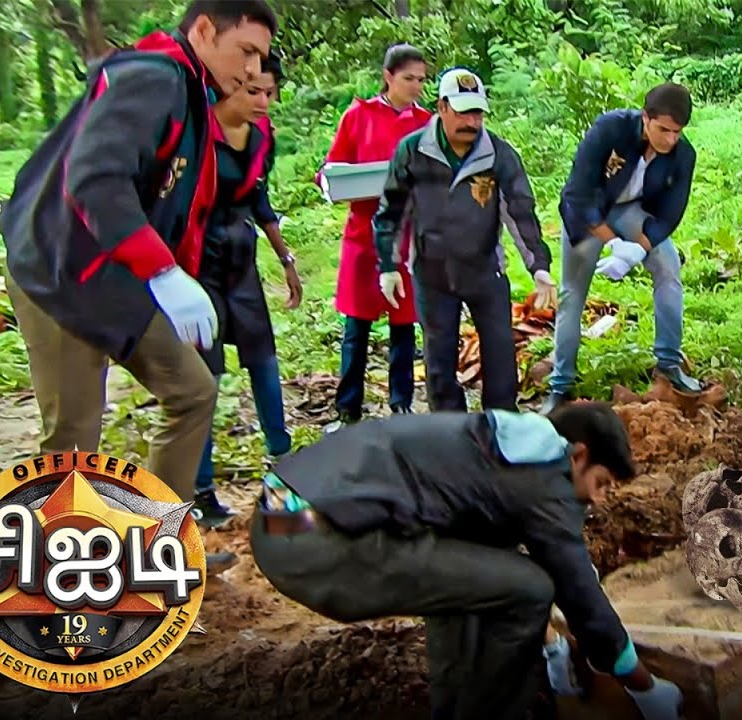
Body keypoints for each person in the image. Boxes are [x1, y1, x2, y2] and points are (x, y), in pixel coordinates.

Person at [0, 0, 277, 573]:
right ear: (202, 30)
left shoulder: (195, 96)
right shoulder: (152, 76)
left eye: (261, 58)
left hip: (122, 275)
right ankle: (56, 582)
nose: (253, 71)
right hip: (62, 272)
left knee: (193, 389)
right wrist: (164, 273)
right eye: (245, 50)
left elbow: (175, 205)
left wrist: (172, 273)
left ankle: (158, 548)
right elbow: (95, 180)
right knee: (74, 436)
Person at [248, 402, 684, 720]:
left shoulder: (495, 443)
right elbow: (580, 596)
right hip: (309, 538)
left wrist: (549, 642)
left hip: (279, 515)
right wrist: (644, 687)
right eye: (601, 483)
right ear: (579, 455)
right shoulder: (544, 481)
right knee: (530, 589)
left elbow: (471, 568)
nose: (598, 499)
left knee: (470, 583)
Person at [372, 67, 557, 413]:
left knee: (500, 353)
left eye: (477, 112)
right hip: (432, 271)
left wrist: (539, 266)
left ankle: (501, 427)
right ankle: (451, 433)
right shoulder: (413, 152)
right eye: (462, 111)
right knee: (439, 361)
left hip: (484, 269)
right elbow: (391, 211)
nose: (471, 122)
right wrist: (388, 265)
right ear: (441, 107)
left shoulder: (499, 155)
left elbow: (520, 213)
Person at [541, 83, 700, 415]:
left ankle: (669, 364)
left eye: (677, 132)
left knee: (669, 267)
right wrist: (611, 242)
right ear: (646, 117)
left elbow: (671, 213)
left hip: (632, 212)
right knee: (573, 292)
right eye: (663, 130)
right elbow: (578, 193)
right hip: (588, 214)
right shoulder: (610, 129)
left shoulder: (683, 155)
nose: (670, 139)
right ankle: (560, 384)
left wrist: (636, 250)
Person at [191, 51, 300, 527]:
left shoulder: (261, 138)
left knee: (264, 360)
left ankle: (284, 467)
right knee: (204, 377)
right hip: (198, 262)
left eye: (269, 93)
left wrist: (286, 258)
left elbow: (259, 198)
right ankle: (200, 487)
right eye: (251, 91)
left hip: (241, 259)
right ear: (227, 85)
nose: (262, 101)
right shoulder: (197, 136)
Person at [319, 44, 432, 429]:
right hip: (363, 234)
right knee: (358, 325)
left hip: (407, 236)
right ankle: (348, 405)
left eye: (421, 79)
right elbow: (332, 169)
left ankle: (401, 403)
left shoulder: (427, 122)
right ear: (388, 77)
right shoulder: (359, 115)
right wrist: (333, 181)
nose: (416, 86)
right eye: (408, 78)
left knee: (404, 325)